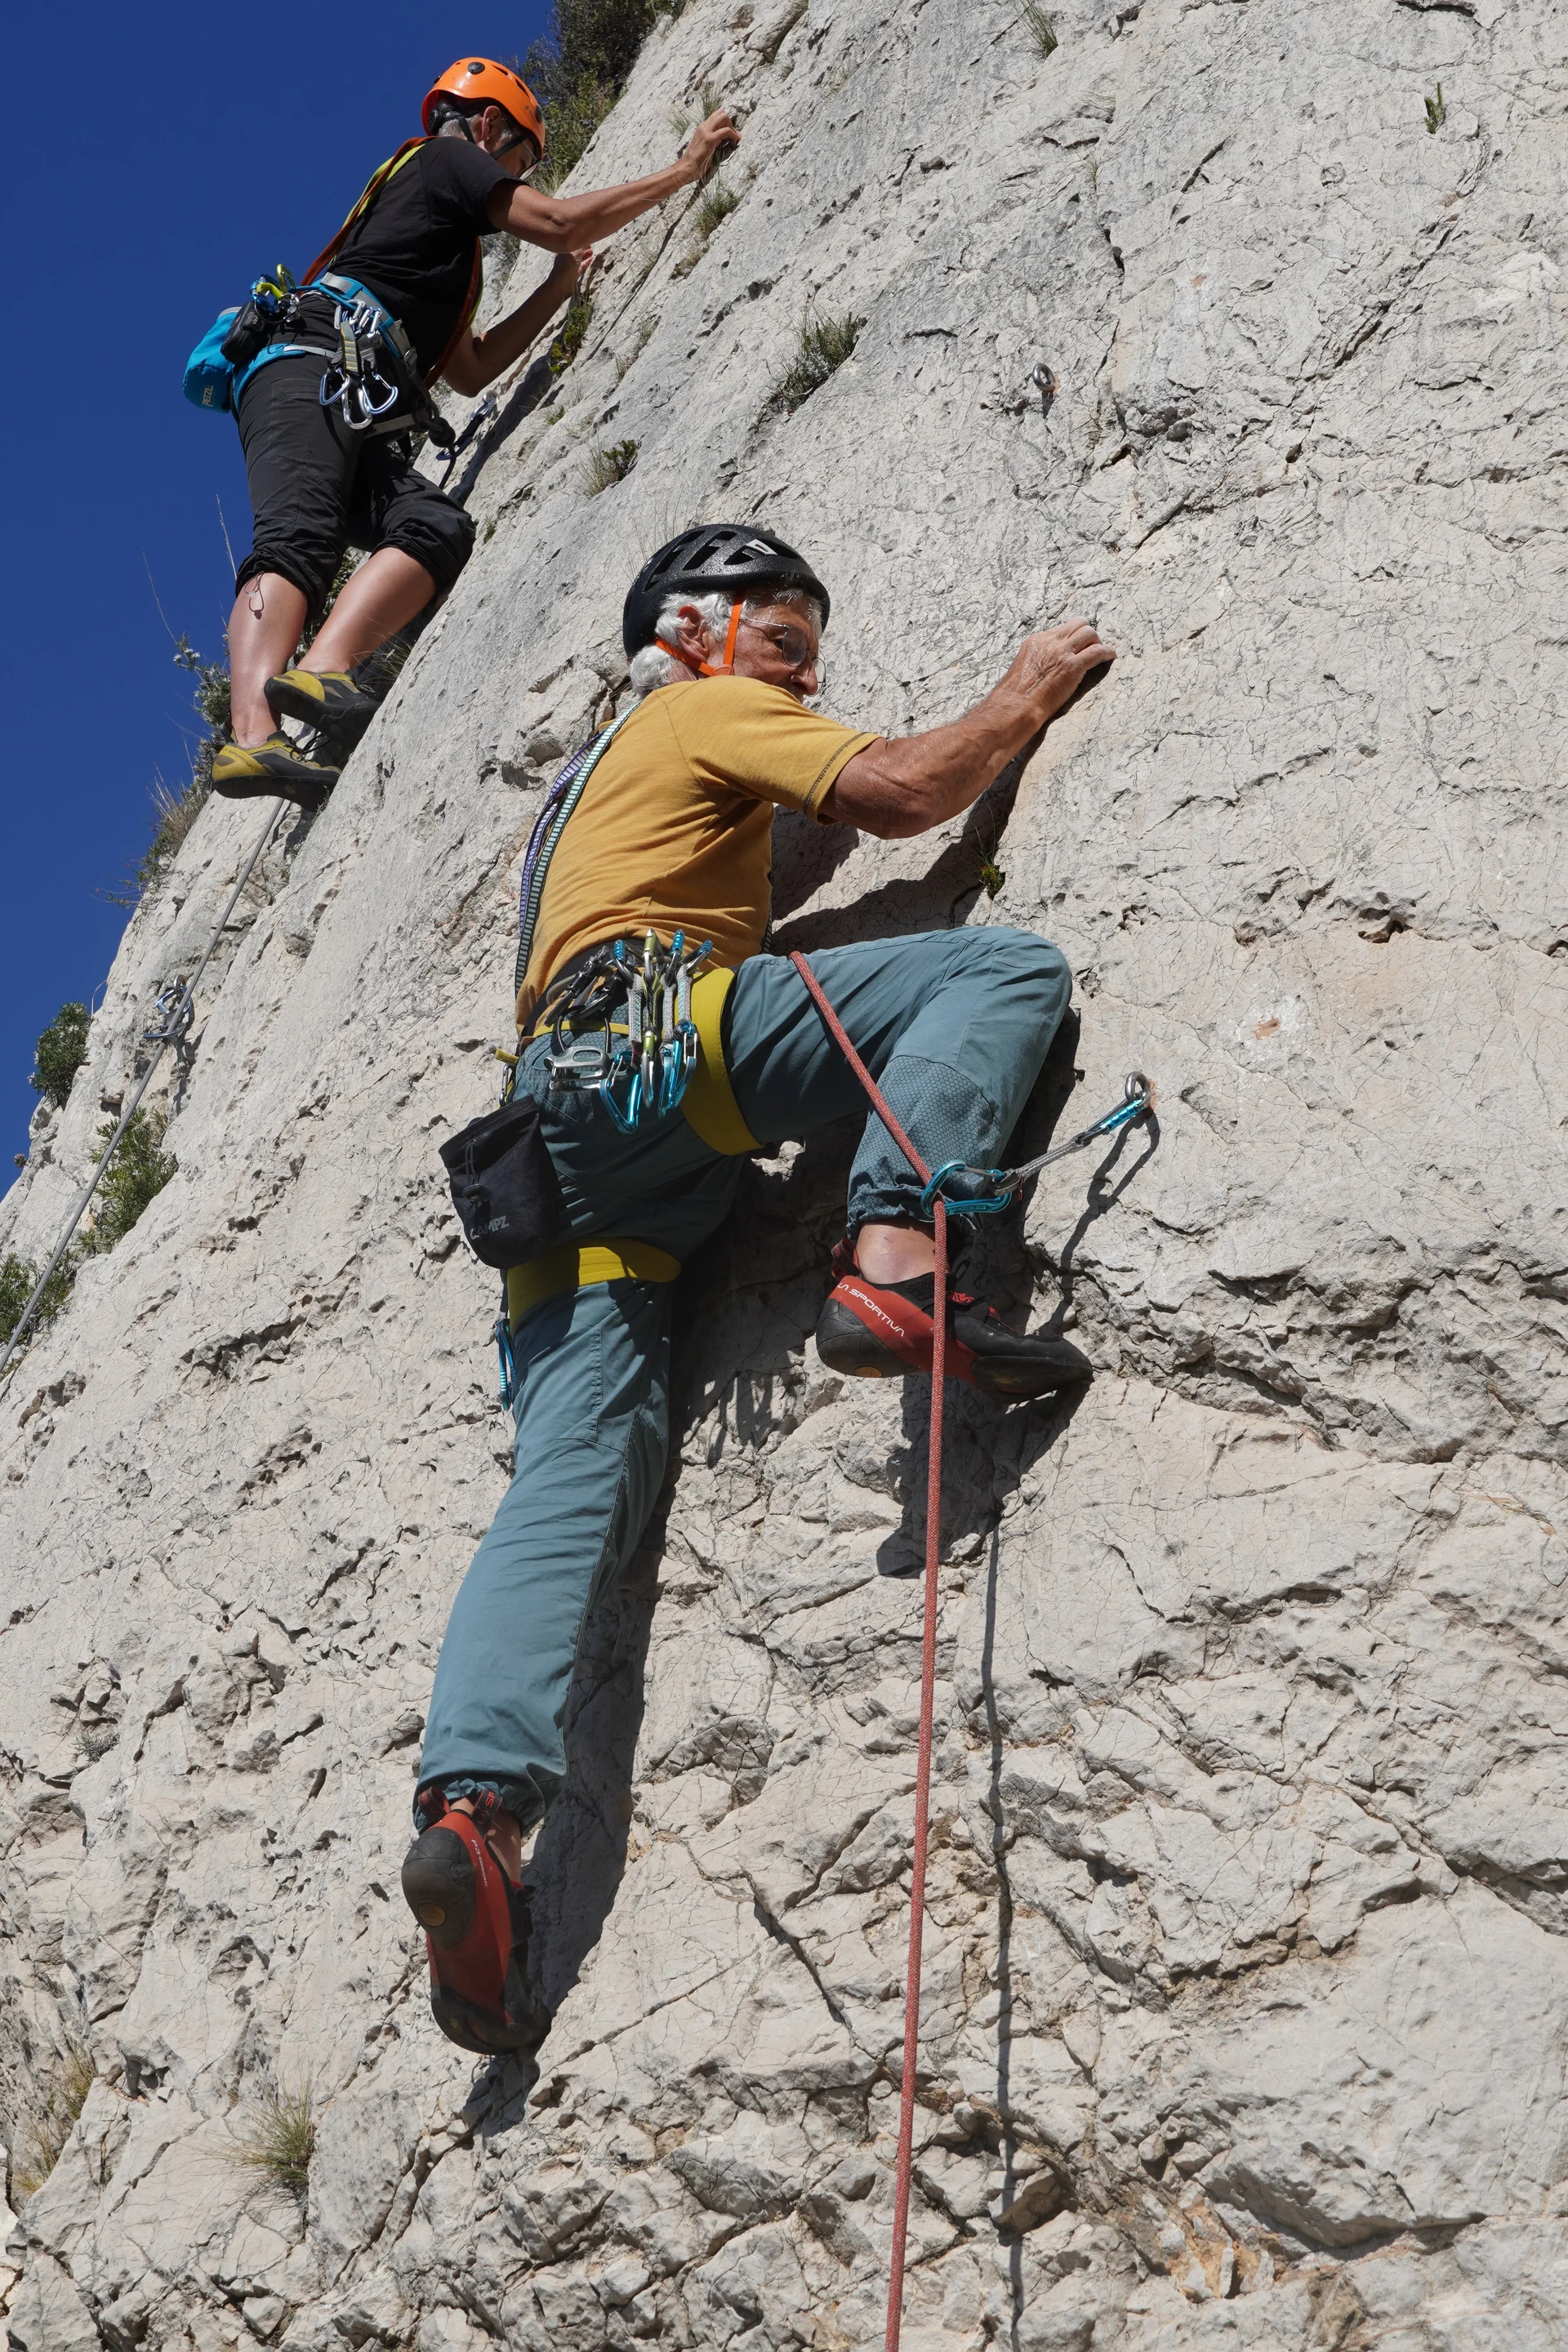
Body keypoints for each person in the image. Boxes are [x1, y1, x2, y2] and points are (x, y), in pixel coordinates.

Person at [399, 524, 1116, 2056]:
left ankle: (477, 1814)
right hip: (673, 1056)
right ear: (694, 627)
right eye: (785, 640)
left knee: (572, 1469)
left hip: (569, 1156)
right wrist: (1022, 695)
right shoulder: (695, 704)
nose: (805, 670)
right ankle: (898, 1260)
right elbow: (908, 788)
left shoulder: (589, 790)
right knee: (1000, 975)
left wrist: (801, 847)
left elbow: (776, 849)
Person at [210, 60, 740, 811]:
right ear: (489, 126)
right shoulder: (449, 159)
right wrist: (684, 171)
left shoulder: (438, 252)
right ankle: (252, 739)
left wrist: (556, 291)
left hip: (345, 391)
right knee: (296, 539)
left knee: (433, 525)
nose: (515, 178)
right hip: (309, 367)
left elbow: (470, 367)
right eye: (519, 162)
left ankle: (323, 669)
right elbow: (559, 222)